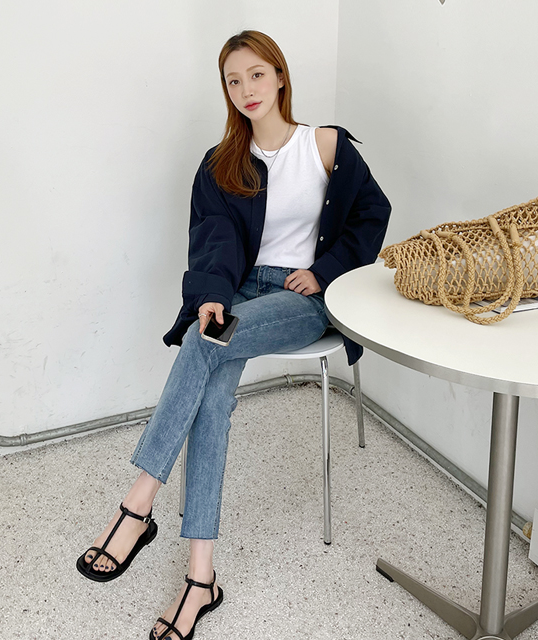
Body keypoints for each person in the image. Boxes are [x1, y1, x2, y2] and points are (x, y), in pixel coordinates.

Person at [76, 29, 391, 640]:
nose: (246, 89)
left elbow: (371, 213)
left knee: (203, 346)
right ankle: (201, 579)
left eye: (256, 74)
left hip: (304, 298)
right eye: (233, 80)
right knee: (213, 395)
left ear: (280, 76)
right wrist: (214, 295)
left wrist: (325, 270)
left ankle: (138, 504)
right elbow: (213, 237)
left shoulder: (325, 145)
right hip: (241, 289)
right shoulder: (221, 161)